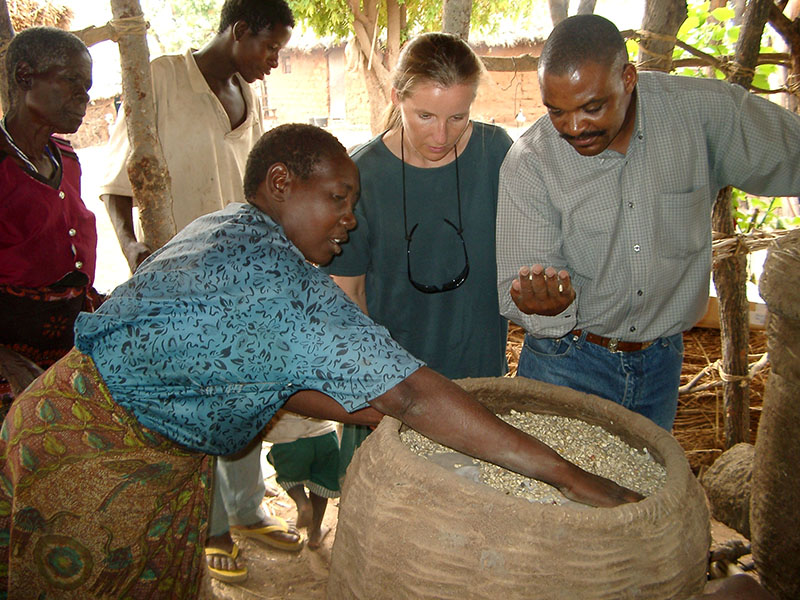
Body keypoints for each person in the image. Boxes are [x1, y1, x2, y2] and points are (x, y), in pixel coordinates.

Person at [0, 123, 641, 598]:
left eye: (353, 204)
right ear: (282, 183)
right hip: (97, 460)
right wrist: (571, 478)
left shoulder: (225, 226)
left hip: (71, 417)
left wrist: (379, 410)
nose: (350, 220)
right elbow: (414, 395)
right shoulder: (282, 283)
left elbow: (261, 379)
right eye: (338, 198)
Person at [496, 14, 800, 431]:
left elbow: (790, 155)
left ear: (628, 78)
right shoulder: (531, 163)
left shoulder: (700, 114)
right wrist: (544, 305)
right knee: (554, 494)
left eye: (592, 107)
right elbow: (515, 286)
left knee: (644, 493)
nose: (574, 127)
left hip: (661, 364)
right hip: (566, 363)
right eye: (556, 112)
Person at [98, 0, 300, 582]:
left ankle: (248, 511)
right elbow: (117, 181)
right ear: (239, 32)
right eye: (271, 47)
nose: (274, 61)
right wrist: (133, 247)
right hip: (177, 283)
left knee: (241, 396)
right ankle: (209, 527)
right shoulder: (158, 78)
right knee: (195, 406)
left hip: (238, 281)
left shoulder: (248, 96)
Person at [323, 32, 512, 482]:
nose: (441, 135)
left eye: (458, 117)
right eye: (424, 115)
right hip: (396, 386)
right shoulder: (362, 174)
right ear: (396, 98)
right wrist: (372, 384)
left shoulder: (497, 153)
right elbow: (346, 292)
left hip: (479, 380)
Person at [0, 27, 101, 418]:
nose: (85, 96)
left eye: (88, 85)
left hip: (67, 342)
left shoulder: (67, 160)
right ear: (25, 77)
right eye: (72, 80)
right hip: (12, 355)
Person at [265, 411, 340, 550]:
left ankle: (302, 502)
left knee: (289, 477)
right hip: (325, 434)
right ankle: (315, 532)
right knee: (321, 484)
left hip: (287, 438)